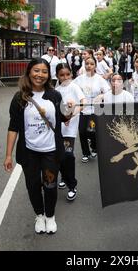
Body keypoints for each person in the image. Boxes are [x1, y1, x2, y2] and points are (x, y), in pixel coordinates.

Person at [3, 58, 73, 234]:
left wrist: (69, 109)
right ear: (29, 72)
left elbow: (64, 118)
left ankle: (50, 217)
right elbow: (13, 128)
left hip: (51, 152)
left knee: (50, 185)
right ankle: (39, 215)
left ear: (48, 75)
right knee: (33, 186)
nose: (39, 75)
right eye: (36, 70)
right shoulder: (20, 98)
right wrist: (8, 155)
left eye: (44, 71)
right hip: (29, 154)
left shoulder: (55, 95)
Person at [55, 63, 85, 201]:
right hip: (58, 128)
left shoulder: (74, 87)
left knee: (68, 154)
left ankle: (72, 185)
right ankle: (64, 177)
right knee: (59, 155)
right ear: (57, 76)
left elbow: (83, 103)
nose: (65, 77)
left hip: (70, 127)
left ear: (71, 74)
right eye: (62, 75)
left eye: (67, 74)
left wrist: (71, 116)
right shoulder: (57, 89)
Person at [73, 55, 110, 163]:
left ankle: (94, 147)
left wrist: (101, 96)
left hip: (95, 110)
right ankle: (85, 153)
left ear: (95, 66)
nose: (89, 66)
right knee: (82, 131)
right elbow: (71, 89)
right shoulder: (79, 79)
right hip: (83, 110)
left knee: (92, 132)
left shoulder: (100, 79)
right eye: (87, 64)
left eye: (91, 64)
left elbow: (107, 91)